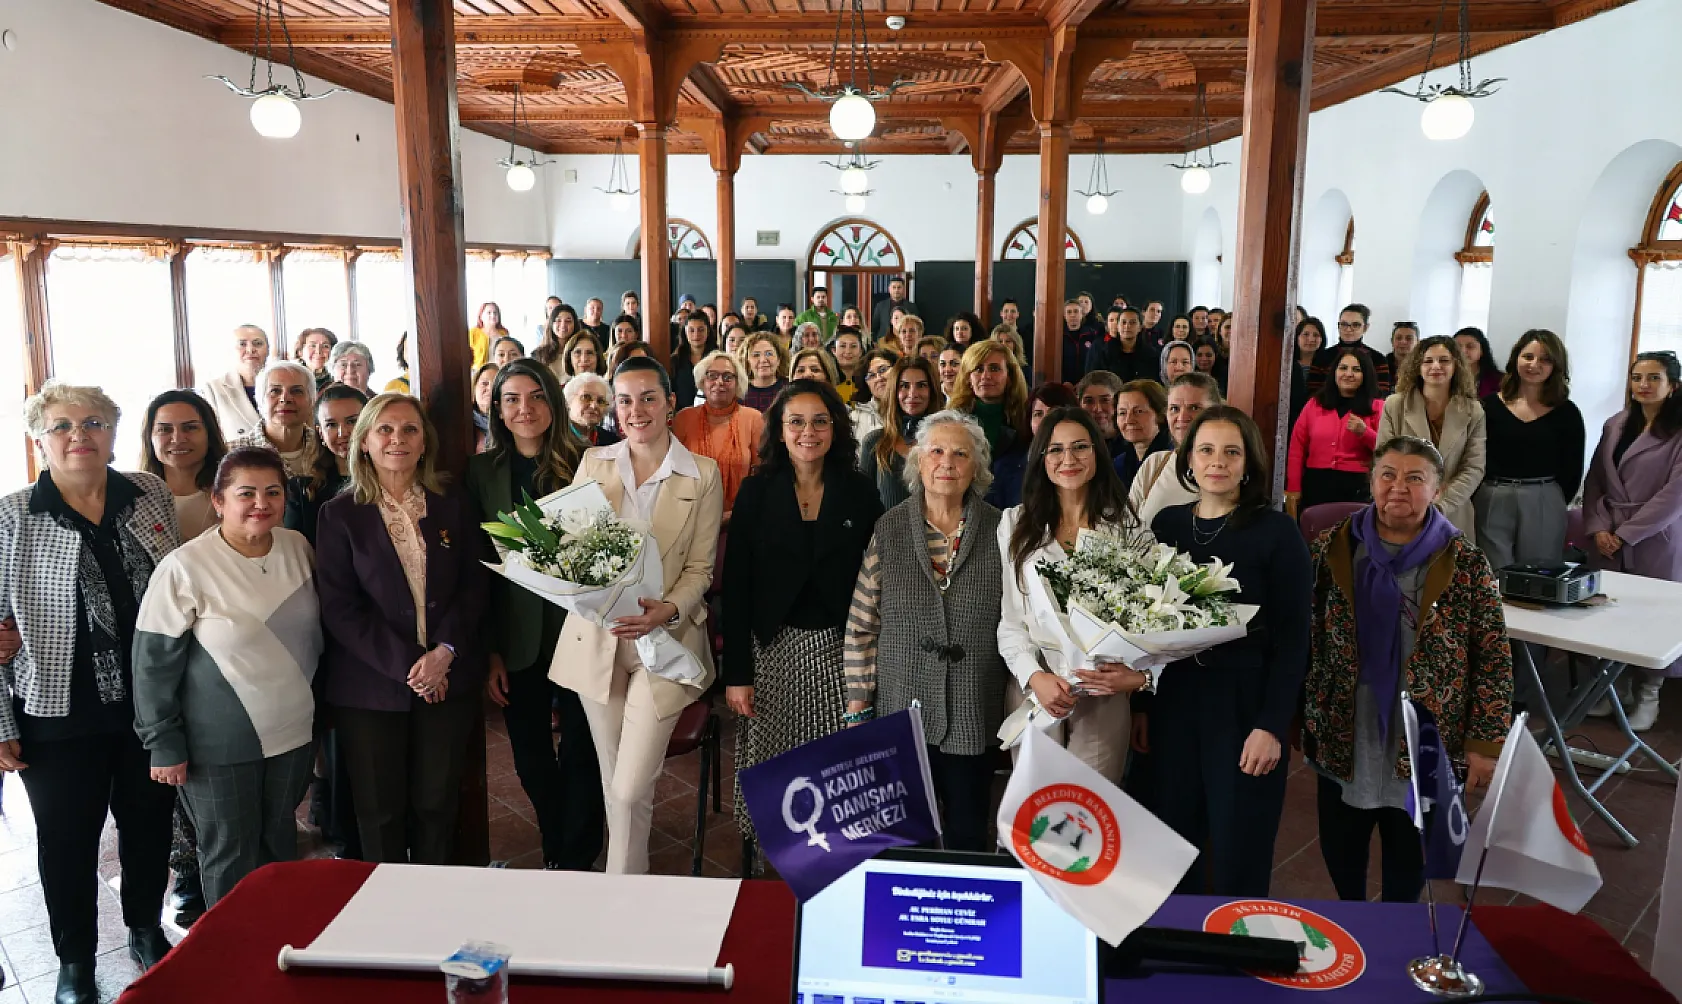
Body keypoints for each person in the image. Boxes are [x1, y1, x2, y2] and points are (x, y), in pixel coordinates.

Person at [0, 382, 180, 1002]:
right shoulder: (12, 514)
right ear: (38, 437)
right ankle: (74, 960)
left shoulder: (147, 492)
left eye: (94, 421)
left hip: (149, 705)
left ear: (112, 430)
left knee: (149, 824)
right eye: (62, 425)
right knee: (67, 839)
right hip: (57, 712)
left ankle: (143, 927)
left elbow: (178, 581)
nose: (80, 435)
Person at [1303, 436, 1512, 902]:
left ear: (1437, 490)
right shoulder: (1331, 550)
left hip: (1424, 738)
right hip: (1345, 729)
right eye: (1387, 475)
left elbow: (1493, 656)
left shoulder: (1467, 565)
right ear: (1371, 482)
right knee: (1342, 848)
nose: (1398, 487)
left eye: (1415, 478)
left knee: (1408, 857)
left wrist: (1484, 744)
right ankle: (1353, 921)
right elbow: (1304, 634)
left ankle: (1395, 931)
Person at [551, 357, 722, 874]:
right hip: (597, 640)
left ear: (671, 403)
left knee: (628, 789)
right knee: (613, 783)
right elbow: (571, 548)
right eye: (624, 399)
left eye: (648, 397)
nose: (636, 409)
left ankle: (619, 897)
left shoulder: (702, 473)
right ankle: (631, 896)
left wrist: (667, 608)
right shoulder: (594, 463)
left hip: (664, 643)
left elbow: (701, 569)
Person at [133, 447, 323, 907]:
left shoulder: (298, 547)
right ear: (218, 500)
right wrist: (163, 741)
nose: (261, 503)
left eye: (272, 492)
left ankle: (277, 946)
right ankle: (230, 959)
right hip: (218, 742)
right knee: (230, 853)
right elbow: (151, 665)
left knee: (279, 844)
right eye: (246, 493)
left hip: (294, 733)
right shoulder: (184, 567)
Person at [1134, 406, 1311, 896]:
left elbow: (1295, 639)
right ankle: (1180, 953)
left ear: (1249, 462)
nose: (1218, 461)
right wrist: (1142, 708)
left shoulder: (1278, 533)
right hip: (1175, 701)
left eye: (1231, 451)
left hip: (1244, 705)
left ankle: (1238, 955)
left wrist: (1272, 725)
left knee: (1240, 846)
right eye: (1206, 450)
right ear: (1188, 459)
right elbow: (1145, 629)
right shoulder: (1165, 526)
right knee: (1172, 843)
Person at [315, 393, 489, 864]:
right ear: (365, 442)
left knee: (436, 804)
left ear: (423, 441)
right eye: (385, 430)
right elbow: (340, 607)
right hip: (370, 687)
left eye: (410, 429)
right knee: (379, 813)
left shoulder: (451, 502)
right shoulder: (340, 513)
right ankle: (389, 914)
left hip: (448, 676)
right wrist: (414, 667)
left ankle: (433, 909)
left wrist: (444, 653)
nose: (398, 439)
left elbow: (474, 585)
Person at [725, 382, 881, 850]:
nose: (807, 432)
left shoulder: (859, 491)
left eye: (819, 421)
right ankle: (778, 864)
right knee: (778, 771)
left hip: (843, 651)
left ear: (836, 428)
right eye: (795, 421)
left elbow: (879, 582)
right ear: (778, 430)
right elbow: (736, 589)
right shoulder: (755, 493)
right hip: (773, 652)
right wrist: (737, 673)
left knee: (839, 774)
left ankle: (834, 859)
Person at [844, 411, 1006, 851]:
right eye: (936, 451)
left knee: (969, 830)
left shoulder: (1002, 529)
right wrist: (859, 707)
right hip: (902, 705)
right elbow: (862, 623)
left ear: (977, 466)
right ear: (918, 462)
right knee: (903, 834)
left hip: (975, 705)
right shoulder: (890, 527)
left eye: (960, 453)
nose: (946, 463)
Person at [467, 361, 604, 871]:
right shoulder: (480, 471)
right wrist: (491, 650)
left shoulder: (590, 460)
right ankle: (557, 843)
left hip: (581, 627)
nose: (524, 409)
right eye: (511, 400)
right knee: (529, 755)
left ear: (553, 401)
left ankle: (577, 859)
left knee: (582, 751)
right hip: (516, 636)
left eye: (536, 397)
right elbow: (478, 567)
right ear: (497, 410)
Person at [998, 407, 1150, 783]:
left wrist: (1140, 677)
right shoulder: (1015, 524)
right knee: (1039, 816)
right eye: (1055, 450)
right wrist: (1035, 677)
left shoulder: (1127, 526)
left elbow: (1153, 620)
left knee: (1090, 817)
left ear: (1097, 452)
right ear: (1041, 459)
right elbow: (1011, 622)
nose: (1068, 459)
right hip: (1037, 685)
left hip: (1102, 686)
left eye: (1080, 447)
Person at [1582, 351, 1682, 731]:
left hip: (1657, 536)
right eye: (1637, 377)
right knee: (1607, 611)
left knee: (1652, 616)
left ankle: (1648, 692)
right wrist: (1599, 527)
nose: (1643, 385)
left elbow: (1674, 495)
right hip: (1608, 532)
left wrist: (1625, 534)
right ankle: (1612, 690)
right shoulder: (1615, 424)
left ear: (1672, 385)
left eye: (1653, 378)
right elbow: (1595, 481)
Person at [1475, 329, 1584, 570]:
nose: (1534, 365)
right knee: (1493, 573)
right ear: (1516, 359)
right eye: (1528, 357)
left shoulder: (1567, 412)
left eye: (1544, 359)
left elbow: (1572, 468)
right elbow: (1475, 455)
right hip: (1493, 494)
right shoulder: (1489, 405)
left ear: (1556, 366)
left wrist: (1549, 499)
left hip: (1543, 496)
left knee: (1538, 574)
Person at [1377, 336, 1487, 536]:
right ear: (1417, 367)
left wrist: (1440, 504)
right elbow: (1383, 461)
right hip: (1403, 507)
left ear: (1456, 366)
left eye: (1444, 360)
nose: (1436, 366)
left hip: (1453, 510)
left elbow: (1474, 467)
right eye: (1428, 361)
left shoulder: (1473, 410)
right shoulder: (1395, 405)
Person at [1286, 345, 1382, 518]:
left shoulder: (1377, 407)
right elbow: (1297, 448)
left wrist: (1365, 433)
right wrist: (1294, 487)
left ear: (1366, 375)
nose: (1349, 374)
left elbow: (1386, 449)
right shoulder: (1315, 404)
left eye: (1356, 369)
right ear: (1334, 372)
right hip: (1316, 483)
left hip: (1357, 486)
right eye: (1343, 368)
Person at [672, 350, 765, 520]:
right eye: (712, 375)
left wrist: (732, 514)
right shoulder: (684, 418)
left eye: (728, 377)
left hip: (741, 518)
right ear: (702, 381)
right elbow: (673, 474)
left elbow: (762, 477)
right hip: (690, 517)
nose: (719, 382)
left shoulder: (754, 419)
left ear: (738, 383)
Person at [1131, 373, 1223, 528]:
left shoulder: (1225, 469)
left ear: (1216, 412)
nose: (1182, 417)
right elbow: (1127, 527)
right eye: (1174, 408)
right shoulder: (1155, 463)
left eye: (1194, 408)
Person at [140, 389, 228, 541]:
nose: (177, 439)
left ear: (209, 434)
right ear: (150, 438)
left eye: (190, 428)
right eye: (164, 429)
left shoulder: (235, 492)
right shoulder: (135, 500)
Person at [860, 357, 944, 510]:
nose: (913, 393)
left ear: (932, 390)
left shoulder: (948, 442)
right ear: (894, 391)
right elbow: (862, 505)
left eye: (921, 385)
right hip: (887, 533)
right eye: (904, 386)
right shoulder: (874, 442)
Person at [988, 382, 1079, 509]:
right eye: (1038, 414)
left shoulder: (1085, 462)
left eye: (1054, 412)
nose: (1046, 420)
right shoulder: (1005, 469)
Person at [231, 360, 321, 479]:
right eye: (275, 391)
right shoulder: (233, 453)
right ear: (260, 401)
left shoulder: (325, 449)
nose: (285, 399)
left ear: (312, 401)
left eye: (296, 391)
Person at [946, 339, 1029, 459]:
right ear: (968, 378)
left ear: (1009, 377)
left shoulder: (1027, 419)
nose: (986, 376)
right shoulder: (950, 420)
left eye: (994, 369)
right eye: (978, 369)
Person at [199, 323, 270, 441]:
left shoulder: (284, 384)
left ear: (267, 349)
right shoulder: (213, 389)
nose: (250, 349)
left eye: (258, 343)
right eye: (242, 344)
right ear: (231, 350)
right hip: (238, 456)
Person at [1309, 304, 1393, 398]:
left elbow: (1381, 395)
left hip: (1365, 410)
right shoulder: (1322, 357)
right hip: (1326, 409)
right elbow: (1313, 394)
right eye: (1344, 324)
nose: (1348, 329)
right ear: (1338, 326)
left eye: (1355, 325)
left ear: (1365, 328)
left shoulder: (1378, 359)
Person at [1114, 379, 1172, 491]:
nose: (1129, 420)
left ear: (1160, 415)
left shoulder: (1172, 461)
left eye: (1139, 411)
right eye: (1122, 413)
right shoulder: (1119, 464)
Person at [1086, 307, 1154, 383]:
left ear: (1140, 327)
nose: (1127, 326)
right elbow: (1094, 380)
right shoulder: (1104, 353)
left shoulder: (1151, 355)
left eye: (1132, 322)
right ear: (1118, 326)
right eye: (1123, 322)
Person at [851, 347, 900, 449]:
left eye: (883, 370)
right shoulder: (856, 418)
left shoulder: (912, 406)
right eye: (871, 375)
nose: (879, 378)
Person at [1076, 371, 1126, 457]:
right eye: (1089, 401)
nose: (1097, 409)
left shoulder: (1132, 444)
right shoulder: (1072, 443)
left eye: (1105, 400)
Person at [671, 314, 717, 409]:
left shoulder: (717, 358)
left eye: (701, 330)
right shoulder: (676, 359)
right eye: (691, 330)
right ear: (685, 332)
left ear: (708, 331)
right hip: (682, 414)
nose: (696, 334)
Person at [564, 371, 619, 447]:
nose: (594, 406)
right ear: (569, 400)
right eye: (586, 397)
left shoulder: (612, 442)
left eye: (600, 401)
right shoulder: (554, 439)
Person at [741, 331, 790, 413]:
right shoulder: (740, 392)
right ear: (747, 361)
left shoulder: (790, 389)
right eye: (756, 355)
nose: (763, 360)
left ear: (779, 359)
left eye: (769, 354)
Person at [535, 304, 580, 383]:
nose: (563, 325)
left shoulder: (580, 352)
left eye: (568, 321)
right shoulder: (538, 354)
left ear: (575, 325)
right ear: (551, 324)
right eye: (558, 320)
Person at [1455, 327, 1503, 398]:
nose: (1463, 351)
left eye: (1470, 346)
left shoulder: (1500, 381)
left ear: (1482, 351)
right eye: (1458, 347)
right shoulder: (1446, 377)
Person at [1060, 299, 1099, 382]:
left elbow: (1096, 361)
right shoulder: (1058, 336)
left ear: (1082, 314)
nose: (1073, 315)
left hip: (1087, 382)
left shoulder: (1092, 334)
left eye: (1076, 311)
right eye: (1069, 312)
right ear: (1064, 315)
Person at [873, 276, 917, 346]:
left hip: (905, 342)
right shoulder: (880, 306)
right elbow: (875, 327)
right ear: (889, 289)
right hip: (884, 342)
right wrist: (875, 342)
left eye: (899, 287)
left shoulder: (912, 307)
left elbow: (916, 326)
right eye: (894, 287)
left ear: (903, 289)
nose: (896, 290)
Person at [295, 327, 338, 394]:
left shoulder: (339, 380)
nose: (318, 351)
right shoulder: (292, 379)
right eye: (312, 345)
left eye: (325, 346)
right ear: (300, 352)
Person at [832, 328, 866, 403]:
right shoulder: (827, 381)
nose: (848, 351)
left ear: (861, 351)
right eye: (842, 346)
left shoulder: (867, 380)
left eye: (853, 346)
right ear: (834, 351)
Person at [469, 302, 507, 371]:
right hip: (479, 372)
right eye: (489, 313)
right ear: (481, 316)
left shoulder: (504, 334)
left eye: (495, 313)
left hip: (499, 372)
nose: (493, 315)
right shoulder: (473, 333)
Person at [471, 362, 498, 454]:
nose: (490, 388)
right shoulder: (463, 422)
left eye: (495, 384)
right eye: (485, 383)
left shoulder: (511, 426)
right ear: (474, 389)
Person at [1296, 316, 1327, 382]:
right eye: (1306, 334)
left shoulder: (1328, 364)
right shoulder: (1287, 363)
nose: (1311, 339)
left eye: (1316, 335)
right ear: (1297, 337)